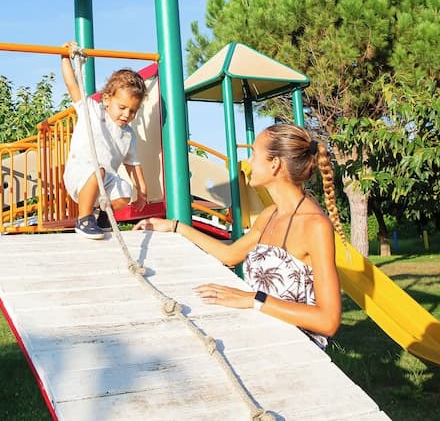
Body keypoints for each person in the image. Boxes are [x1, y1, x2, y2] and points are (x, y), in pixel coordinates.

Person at [134, 123, 343, 348]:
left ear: (275, 164)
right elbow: (230, 255)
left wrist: (253, 299)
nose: (249, 161)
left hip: (297, 351)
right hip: (262, 339)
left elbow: (328, 321)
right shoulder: (269, 215)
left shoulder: (314, 225)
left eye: (254, 154)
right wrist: (175, 227)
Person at [61, 42, 149, 239]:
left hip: (104, 180)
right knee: (98, 171)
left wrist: (142, 189)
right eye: (122, 107)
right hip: (80, 175)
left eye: (133, 111)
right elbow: (72, 85)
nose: (127, 114)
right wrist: (65, 58)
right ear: (107, 99)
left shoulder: (127, 134)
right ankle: (84, 219)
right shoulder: (91, 110)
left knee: (125, 191)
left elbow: (133, 163)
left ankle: (101, 215)